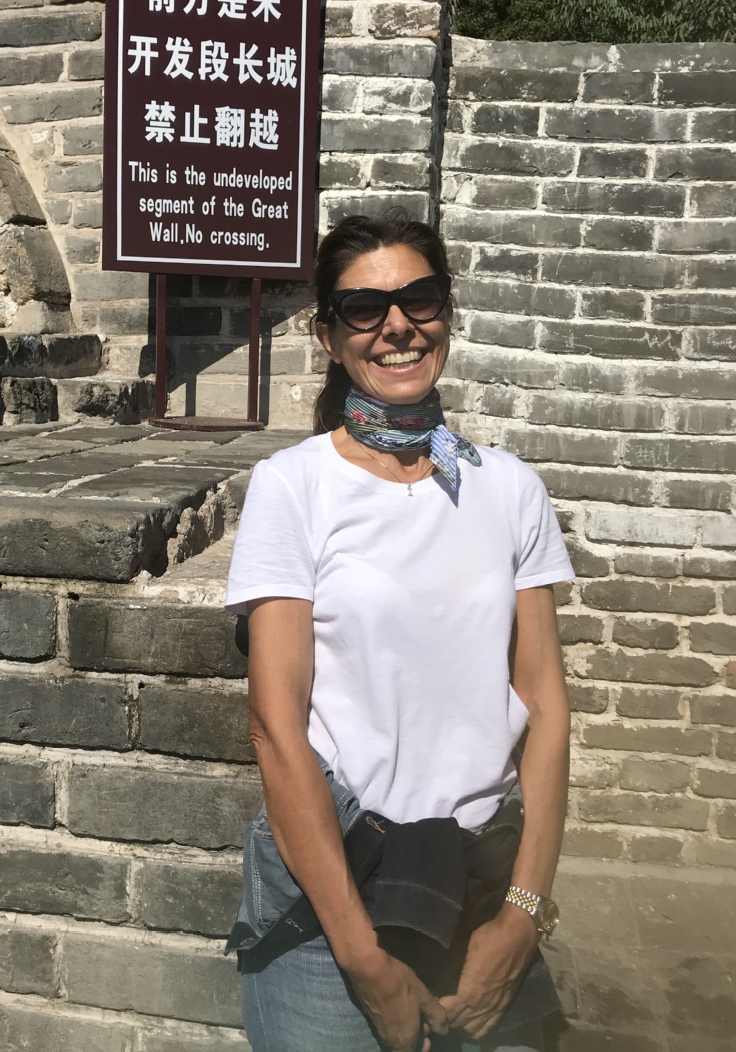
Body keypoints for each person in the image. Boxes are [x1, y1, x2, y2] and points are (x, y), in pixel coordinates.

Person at [224, 210, 574, 1052]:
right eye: (363, 308)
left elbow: (545, 707)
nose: (397, 326)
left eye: (419, 298)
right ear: (327, 335)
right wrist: (363, 957)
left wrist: (522, 914)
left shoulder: (509, 489)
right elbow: (276, 726)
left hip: (481, 885)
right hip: (331, 898)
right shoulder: (292, 486)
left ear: (445, 311)